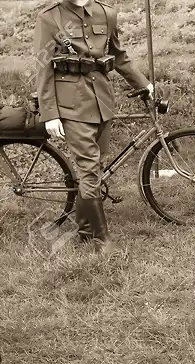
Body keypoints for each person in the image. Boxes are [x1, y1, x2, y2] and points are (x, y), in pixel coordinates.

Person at [34, 0, 153, 253]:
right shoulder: (50, 18)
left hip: (102, 101)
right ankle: (103, 240)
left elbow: (120, 57)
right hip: (71, 106)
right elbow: (43, 68)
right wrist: (50, 113)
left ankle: (85, 230)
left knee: (95, 167)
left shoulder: (106, 13)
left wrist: (143, 83)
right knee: (89, 169)